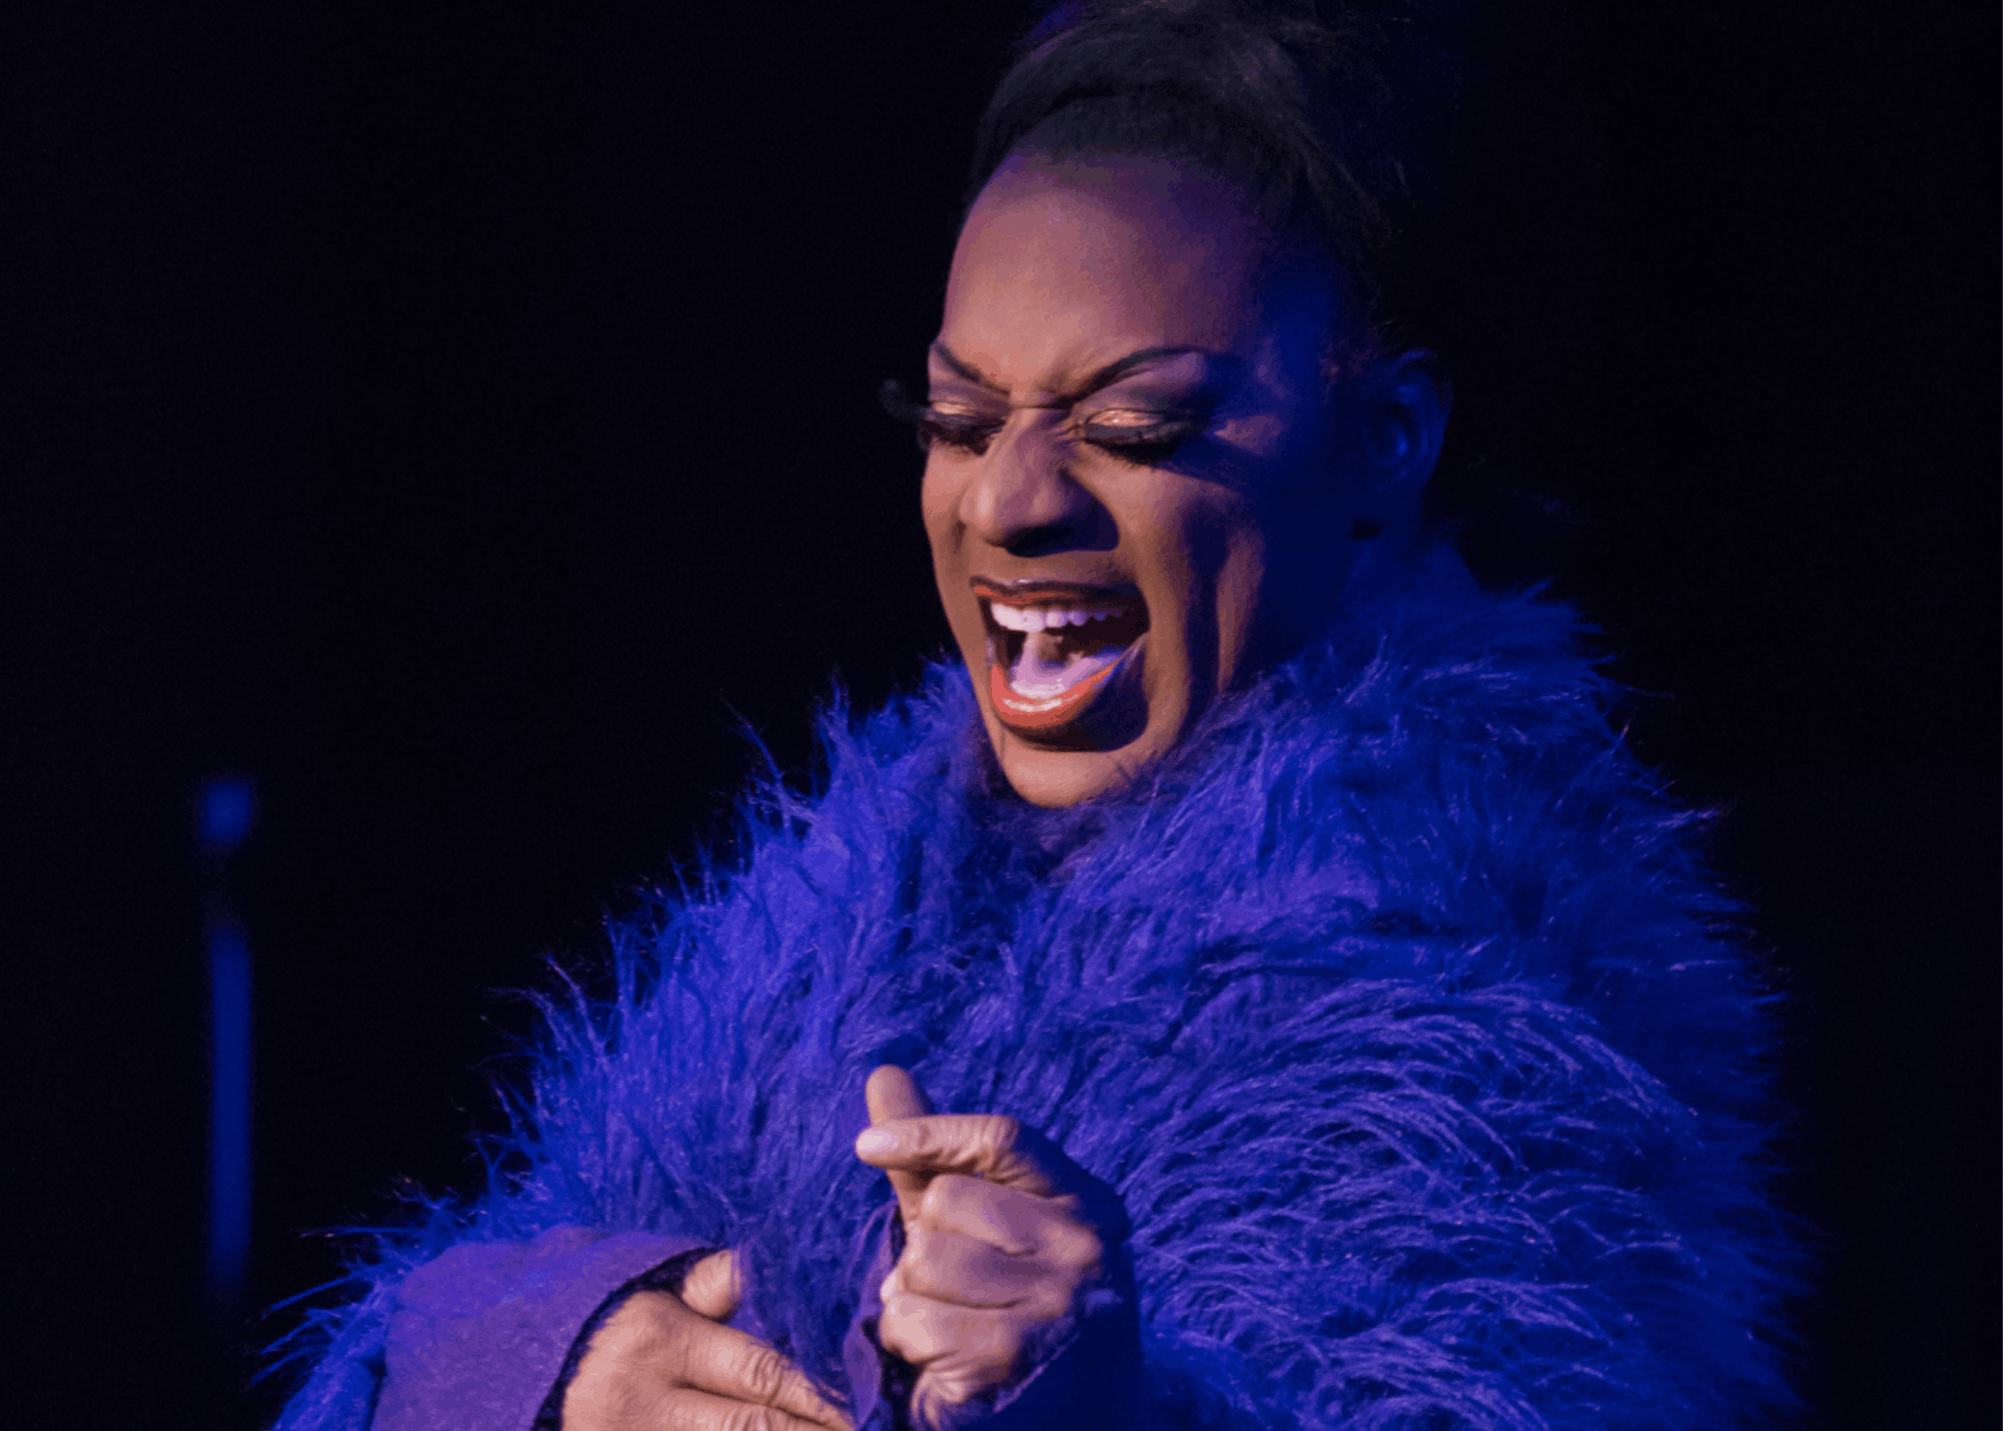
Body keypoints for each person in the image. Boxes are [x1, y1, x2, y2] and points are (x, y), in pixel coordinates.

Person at [272, 3, 1797, 1428]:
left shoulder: (1498, 1000)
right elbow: (435, 1316)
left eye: (1134, 427)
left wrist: (1126, 1402)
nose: (1007, 499)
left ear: (1386, 437)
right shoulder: (812, 913)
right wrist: (556, 1356)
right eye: (957, 417)